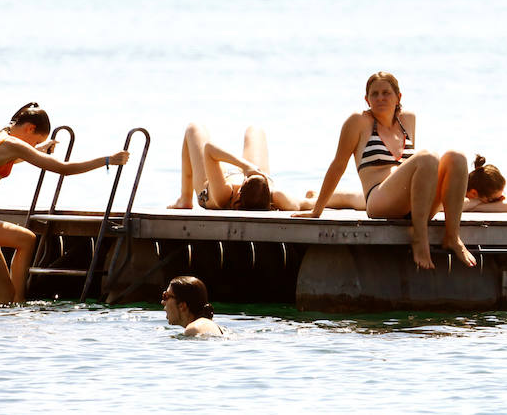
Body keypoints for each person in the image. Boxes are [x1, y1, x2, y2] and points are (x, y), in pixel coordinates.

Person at [0, 102, 131, 304]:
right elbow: (63, 168)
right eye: (35, 141)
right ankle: (5, 313)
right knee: (3, 294)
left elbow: (6, 155)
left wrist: (36, 149)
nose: (31, 147)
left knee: (26, 239)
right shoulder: (13, 145)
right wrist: (108, 160)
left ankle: (19, 302)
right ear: (30, 128)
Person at [293, 72, 476, 270]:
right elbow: (338, 165)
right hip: (380, 199)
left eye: (386, 93)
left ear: (399, 97)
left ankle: (452, 236)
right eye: (375, 94)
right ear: (367, 99)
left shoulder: (407, 120)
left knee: (457, 157)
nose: (380, 98)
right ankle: (419, 239)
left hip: (415, 203)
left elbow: (422, 171)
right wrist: (317, 210)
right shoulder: (358, 122)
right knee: (428, 156)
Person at [168, 122, 358, 212]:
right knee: (255, 130)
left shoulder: (223, 195)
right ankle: (312, 191)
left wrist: (247, 166)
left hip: (210, 185)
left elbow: (209, 150)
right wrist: (366, 200)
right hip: (252, 180)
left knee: (193, 129)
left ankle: (184, 199)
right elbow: (338, 199)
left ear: (241, 189)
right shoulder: (279, 198)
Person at [162, 276, 227, 337]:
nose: (163, 302)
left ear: (181, 306)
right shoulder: (210, 325)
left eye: (166, 296)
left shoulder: (193, 329)